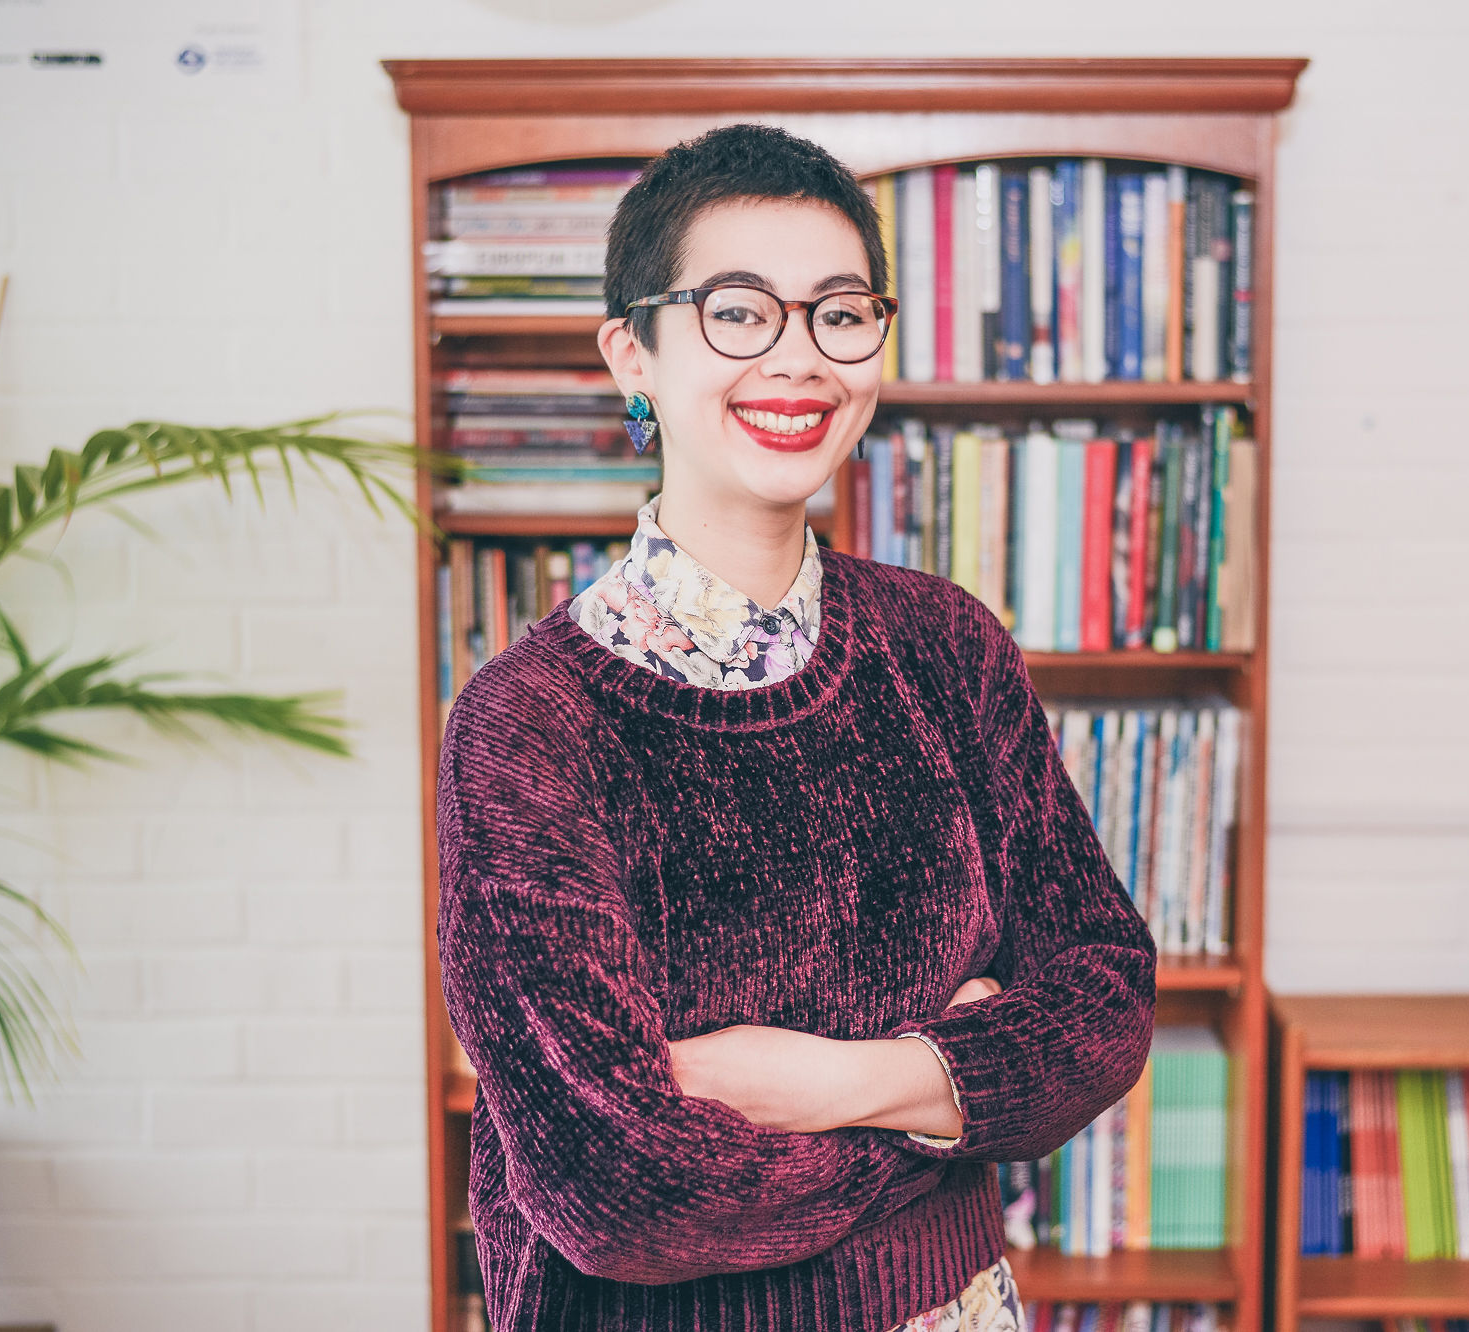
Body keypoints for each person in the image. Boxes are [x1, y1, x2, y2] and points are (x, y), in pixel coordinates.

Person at [435, 122, 1158, 1332]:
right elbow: (618, 1191)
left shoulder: (945, 646)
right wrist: (953, 1100)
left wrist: (832, 1082)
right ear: (633, 355)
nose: (797, 360)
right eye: (735, 311)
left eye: (838, 312)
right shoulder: (527, 724)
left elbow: (1103, 997)